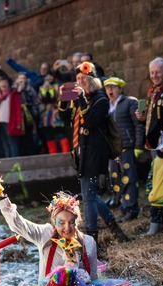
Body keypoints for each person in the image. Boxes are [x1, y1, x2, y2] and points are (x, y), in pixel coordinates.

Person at [0, 174, 149, 286]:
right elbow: (17, 222)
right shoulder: (45, 234)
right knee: (64, 274)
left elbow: (93, 279)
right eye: (61, 222)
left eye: (71, 222)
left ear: (78, 221)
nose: (67, 228)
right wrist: (1, 194)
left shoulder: (88, 242)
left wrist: (81, 277)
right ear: (54, 222)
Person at [58, 62, 129, 244]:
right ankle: (115, 229)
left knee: (88, 197)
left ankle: (91, 237)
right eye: (78, 79)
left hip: (95, 153)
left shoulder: (101, 99)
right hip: (82, 152)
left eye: (84, 79)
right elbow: (65, 118)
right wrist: (63, 99)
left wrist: (81, 99)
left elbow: (89, 121)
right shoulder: (79, 97)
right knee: (90, 194)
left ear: (93, 80)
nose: (81, 82)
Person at [104, 77, 144, 221]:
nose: (110, 90)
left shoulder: (129, 102)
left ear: (120, 88)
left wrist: (138, 146)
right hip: (113, 150)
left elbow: (138, 125)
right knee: (116, 179)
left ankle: (131, 208)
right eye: (107, 87)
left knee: (129, 179)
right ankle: (122, 206)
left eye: (113, 87)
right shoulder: (107, 105)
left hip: (127, 147)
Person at [135, 57, 163, 150]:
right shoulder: (153, 91)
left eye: (157, 72)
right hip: (153, 143)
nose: (154, 76)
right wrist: (143, 118)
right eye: (152, 72)